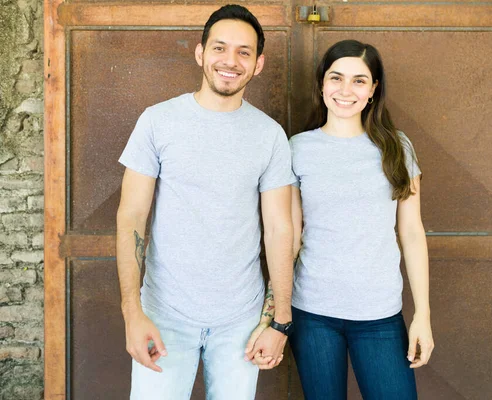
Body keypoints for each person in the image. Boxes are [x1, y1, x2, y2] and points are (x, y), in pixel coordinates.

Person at [116, 5, 295, 400]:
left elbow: (281, 228)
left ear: (258, 64)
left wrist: (279, 320)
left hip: (241, 322)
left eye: (244, 52)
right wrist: (133, 313)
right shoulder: (157, 121)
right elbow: (131, 215)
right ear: (200, 53)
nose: (230, 61)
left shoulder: (269, 135)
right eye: (220, 48)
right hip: (162, 316)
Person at [288, 40, 434, 399]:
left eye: (359, 80)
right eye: (336, 78)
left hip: (380, 315)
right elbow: (288, 235)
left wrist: (423, 316)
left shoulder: (396, 147)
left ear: (373, 90)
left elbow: (412, 233)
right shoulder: (297, 148)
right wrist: (272, 316)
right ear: (322, 84)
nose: (345, 90)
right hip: (313, 313)